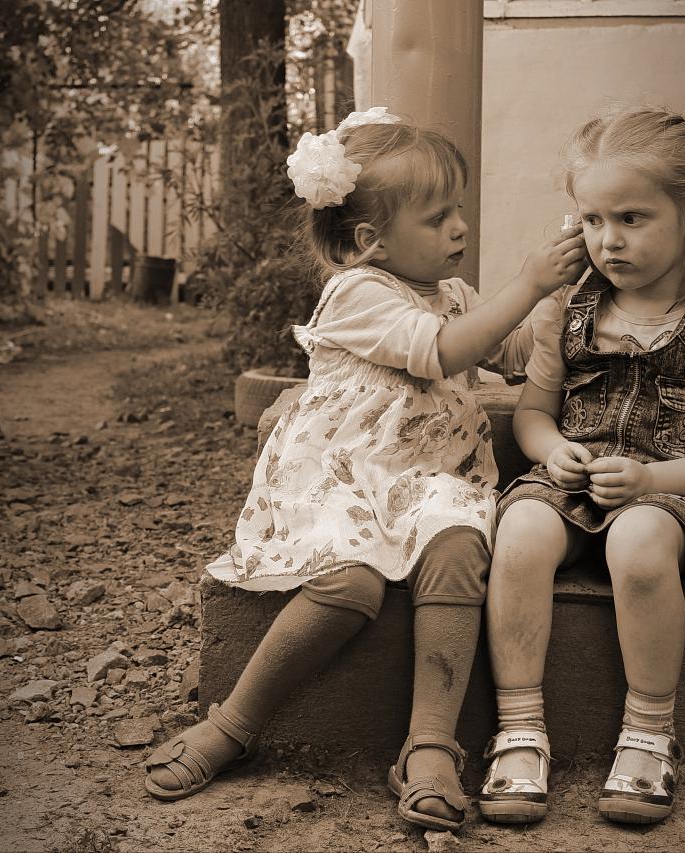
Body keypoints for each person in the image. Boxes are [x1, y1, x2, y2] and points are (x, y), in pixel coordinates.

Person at [143, 106, 587, 833]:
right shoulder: (357, 293)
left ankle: (430, 746)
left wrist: (556, 304)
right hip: (344, 475)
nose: (460, 229)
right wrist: (528, 284)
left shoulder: (456, 296)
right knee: (349, 582)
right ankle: (233, 723)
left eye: (459, 211)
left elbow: (506, 353)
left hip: (431, 477)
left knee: (460, 548)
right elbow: (442, 351)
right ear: (367, 241)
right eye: (438, 218)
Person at [477, 106, 685, 827]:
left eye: (632, 218)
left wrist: (651, 481)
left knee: (638, 543)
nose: (608, 240)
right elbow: (533, 414)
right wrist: (553, 450)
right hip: (571, 483)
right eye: (592, 219)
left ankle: (648, 732)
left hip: (670, 494)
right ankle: (520, 729)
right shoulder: (565, 312)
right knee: (518, 533)